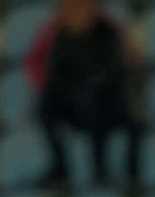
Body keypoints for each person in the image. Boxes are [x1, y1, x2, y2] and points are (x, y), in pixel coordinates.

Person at [26, 0, 142, 187]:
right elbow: (55, 73)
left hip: (108, 105)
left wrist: (84, 87)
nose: (74, 13)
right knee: (46, 105)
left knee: (99, 101)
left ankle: (108, 174)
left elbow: (113, 72)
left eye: (80, 7)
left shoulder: (109, 32)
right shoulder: (61, 35)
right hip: (75, 103)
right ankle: (60, 168)